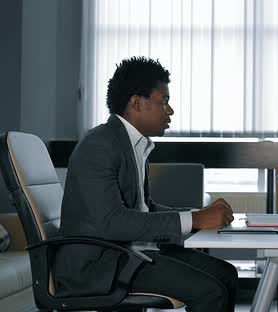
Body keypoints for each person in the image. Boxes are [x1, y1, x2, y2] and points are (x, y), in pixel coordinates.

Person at [54, 56, 238, 312]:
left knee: (226, 275)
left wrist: (198, 215)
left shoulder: (133, 144)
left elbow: (144, 208)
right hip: (99, 265)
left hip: (127, 254)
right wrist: (196, 219)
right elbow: (112, 222)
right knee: (211, 292)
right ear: (137, 103)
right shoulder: (99, 145)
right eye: (164, 102)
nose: (170, 110)